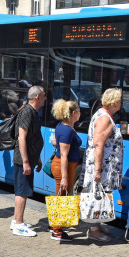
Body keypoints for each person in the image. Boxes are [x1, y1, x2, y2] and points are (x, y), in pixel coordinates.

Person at [81, 88, 124, 241]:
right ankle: (93, 230)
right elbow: (99, 145)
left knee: (100, 195)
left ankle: (97, 226)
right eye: (119, 101)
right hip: (102, 167)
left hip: (104, 166)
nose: (121, 103)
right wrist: (98, 170)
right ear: (113, 103)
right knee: (96, 195)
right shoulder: (105, 118)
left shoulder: (104, 115)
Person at [11, 86, 46, 237]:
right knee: (22, 192)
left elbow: (33, 137)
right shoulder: (27, 112)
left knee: (22, 190)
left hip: (30, 158)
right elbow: (22, 138)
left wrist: (36, 158)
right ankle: (19, 225)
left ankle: (16, 220)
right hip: (23, 159)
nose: (45, 98)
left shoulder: (32, 112)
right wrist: (26, 161)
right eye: (44, 96)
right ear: (37, 97)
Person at [49, 99, 82, 242]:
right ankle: (56, 231)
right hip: (64, 167)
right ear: (74, 113)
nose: (81, 114)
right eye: (79, 112)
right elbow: (63, 155)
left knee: (62, 196)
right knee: (61, 197)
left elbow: (55, 142)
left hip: (67, 166)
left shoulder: (64, 126)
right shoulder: (67, 130)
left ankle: (56, 226)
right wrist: (64, 177)